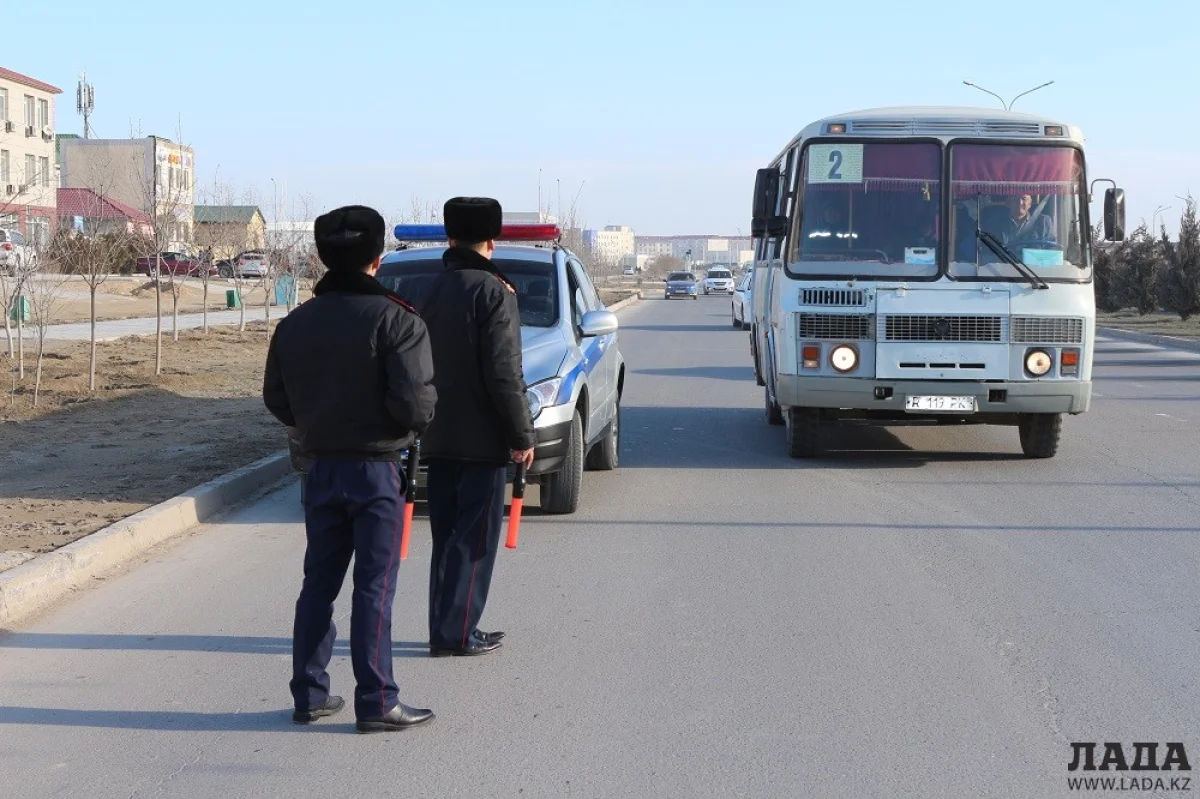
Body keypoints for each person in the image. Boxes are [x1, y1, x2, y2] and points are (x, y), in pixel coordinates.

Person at [263, 204, 438, 734]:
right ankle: (377, 699)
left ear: (319, 257)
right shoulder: (397, 320)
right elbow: (417, 408)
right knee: (374, 587)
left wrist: (316, 425)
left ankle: (310, 694)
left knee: (318, 583)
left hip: (319, 469)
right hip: (378, 469)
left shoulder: (294, 324)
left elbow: (277, 399)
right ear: (377, 259)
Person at [418, 196, 536, 658]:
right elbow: (504, 373)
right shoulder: (493, 292)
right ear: (492, 239)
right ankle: (459, 632)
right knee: (475, 541)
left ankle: (443, 627)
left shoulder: (431, 289)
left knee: (445, 539)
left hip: (439, 434)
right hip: (482, 439)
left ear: (450, 238)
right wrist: (521, 435)